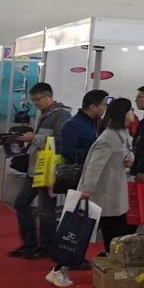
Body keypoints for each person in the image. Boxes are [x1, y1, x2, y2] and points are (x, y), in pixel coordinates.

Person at [47, 96, 135, 287]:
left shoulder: (123, 133)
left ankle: (114, 273)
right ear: (123, 113)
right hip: (100, 194)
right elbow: (95, 165)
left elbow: (127, 153)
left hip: (112, 194)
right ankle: (58, 270)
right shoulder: (109, 137)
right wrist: (87, 190)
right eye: (130, 110)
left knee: (113, 235)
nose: (133, 114)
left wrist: (129, 159)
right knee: (80, 233)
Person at [9, 83, 71, 260]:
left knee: (45, 209)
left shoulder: (61, 114)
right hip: (34, 168)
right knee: (21, 203)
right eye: (33, 100)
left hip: (47, 169)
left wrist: (34, 138)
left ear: (49, 96)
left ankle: (46, 246)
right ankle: (29, 243)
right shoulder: (45, 113)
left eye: (38, 99)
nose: (35, 103)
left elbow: (61, 141)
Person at [53, 89, 110, 272]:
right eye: (103, 104)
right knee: (76, 221)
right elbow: (66, 151)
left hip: (93, 177)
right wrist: (94, 153)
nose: (105, 108)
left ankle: (74, 255)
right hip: (79, 178)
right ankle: (66, 258)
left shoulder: (97, 123)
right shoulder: (73, 124)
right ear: (92, 107)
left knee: (88, 220)